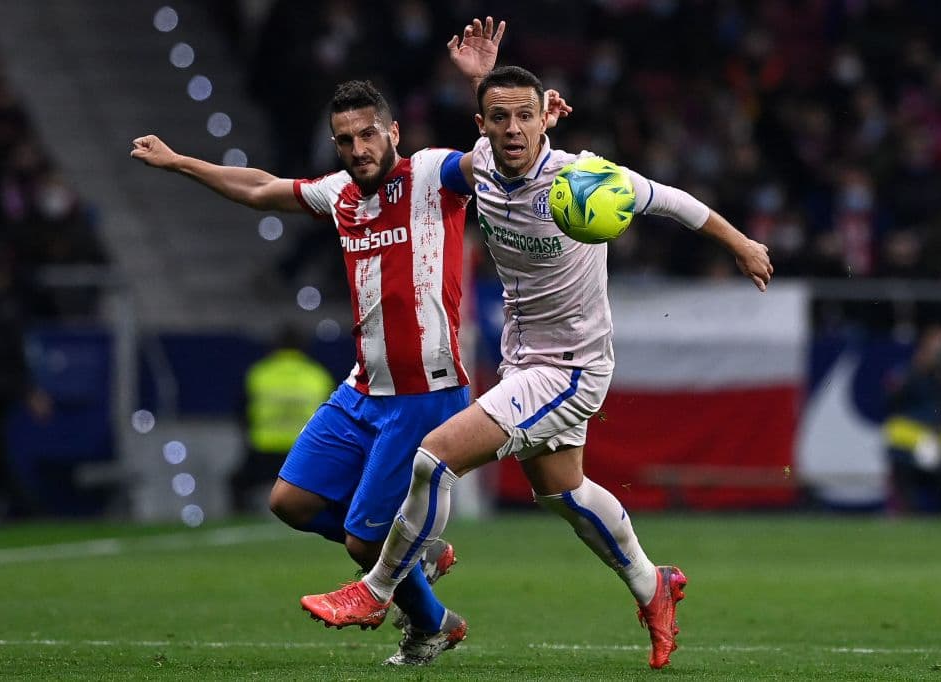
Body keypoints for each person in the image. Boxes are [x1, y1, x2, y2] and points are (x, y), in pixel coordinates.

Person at [301, 21, 773, 671]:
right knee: (561, 491)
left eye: (527, 117)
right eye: (501, 118)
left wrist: (742, 245)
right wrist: (486, 80)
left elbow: (674, 202)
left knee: (432, 460)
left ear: (546, 122)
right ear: (484, 123)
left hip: (573, 366)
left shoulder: (583, 181)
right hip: (526, 357)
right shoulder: (482, 166)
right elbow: (500, 112)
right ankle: (651, 583)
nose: (514, 129)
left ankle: (377, 591)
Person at [132, 39, 572, 665]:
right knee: (290, 501)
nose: (359, 150)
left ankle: (433, 624)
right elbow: (260, 189)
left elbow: (496, 164)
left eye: (368, 135)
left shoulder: (432, 173)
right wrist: (180, 163)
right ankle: (416, 552)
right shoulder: (340, 193)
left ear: (392, 131)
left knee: (365, 545)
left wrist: (514, 112)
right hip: (364, 388)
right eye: (346, 140)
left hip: (425, 392)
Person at [230, 324, 335, 514]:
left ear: (274, 346)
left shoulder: (259, 373)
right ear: (304, 347)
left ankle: (241, 518)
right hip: (304, 453)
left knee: (236, 484)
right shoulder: (318, 375)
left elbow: (242, 412)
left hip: (264, 452)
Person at [883, 324, 941, 514]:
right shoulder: (908, 370)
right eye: (936, 342)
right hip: (909, 449)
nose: (940, 348)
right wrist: (918, 369)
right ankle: (902, 508)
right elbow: (890, 398)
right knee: (908, 498)